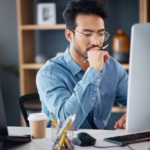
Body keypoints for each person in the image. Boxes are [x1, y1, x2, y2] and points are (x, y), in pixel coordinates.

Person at [36, 0, 128, 130]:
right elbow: (67, 125)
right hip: (62, 144)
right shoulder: (49, 73)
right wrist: (94, 71)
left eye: (100, 33)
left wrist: (132, 114)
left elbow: (139, 101)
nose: (96, 41)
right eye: (87, 34)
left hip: (98, 144)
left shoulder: (112, 66)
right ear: (69, 35)